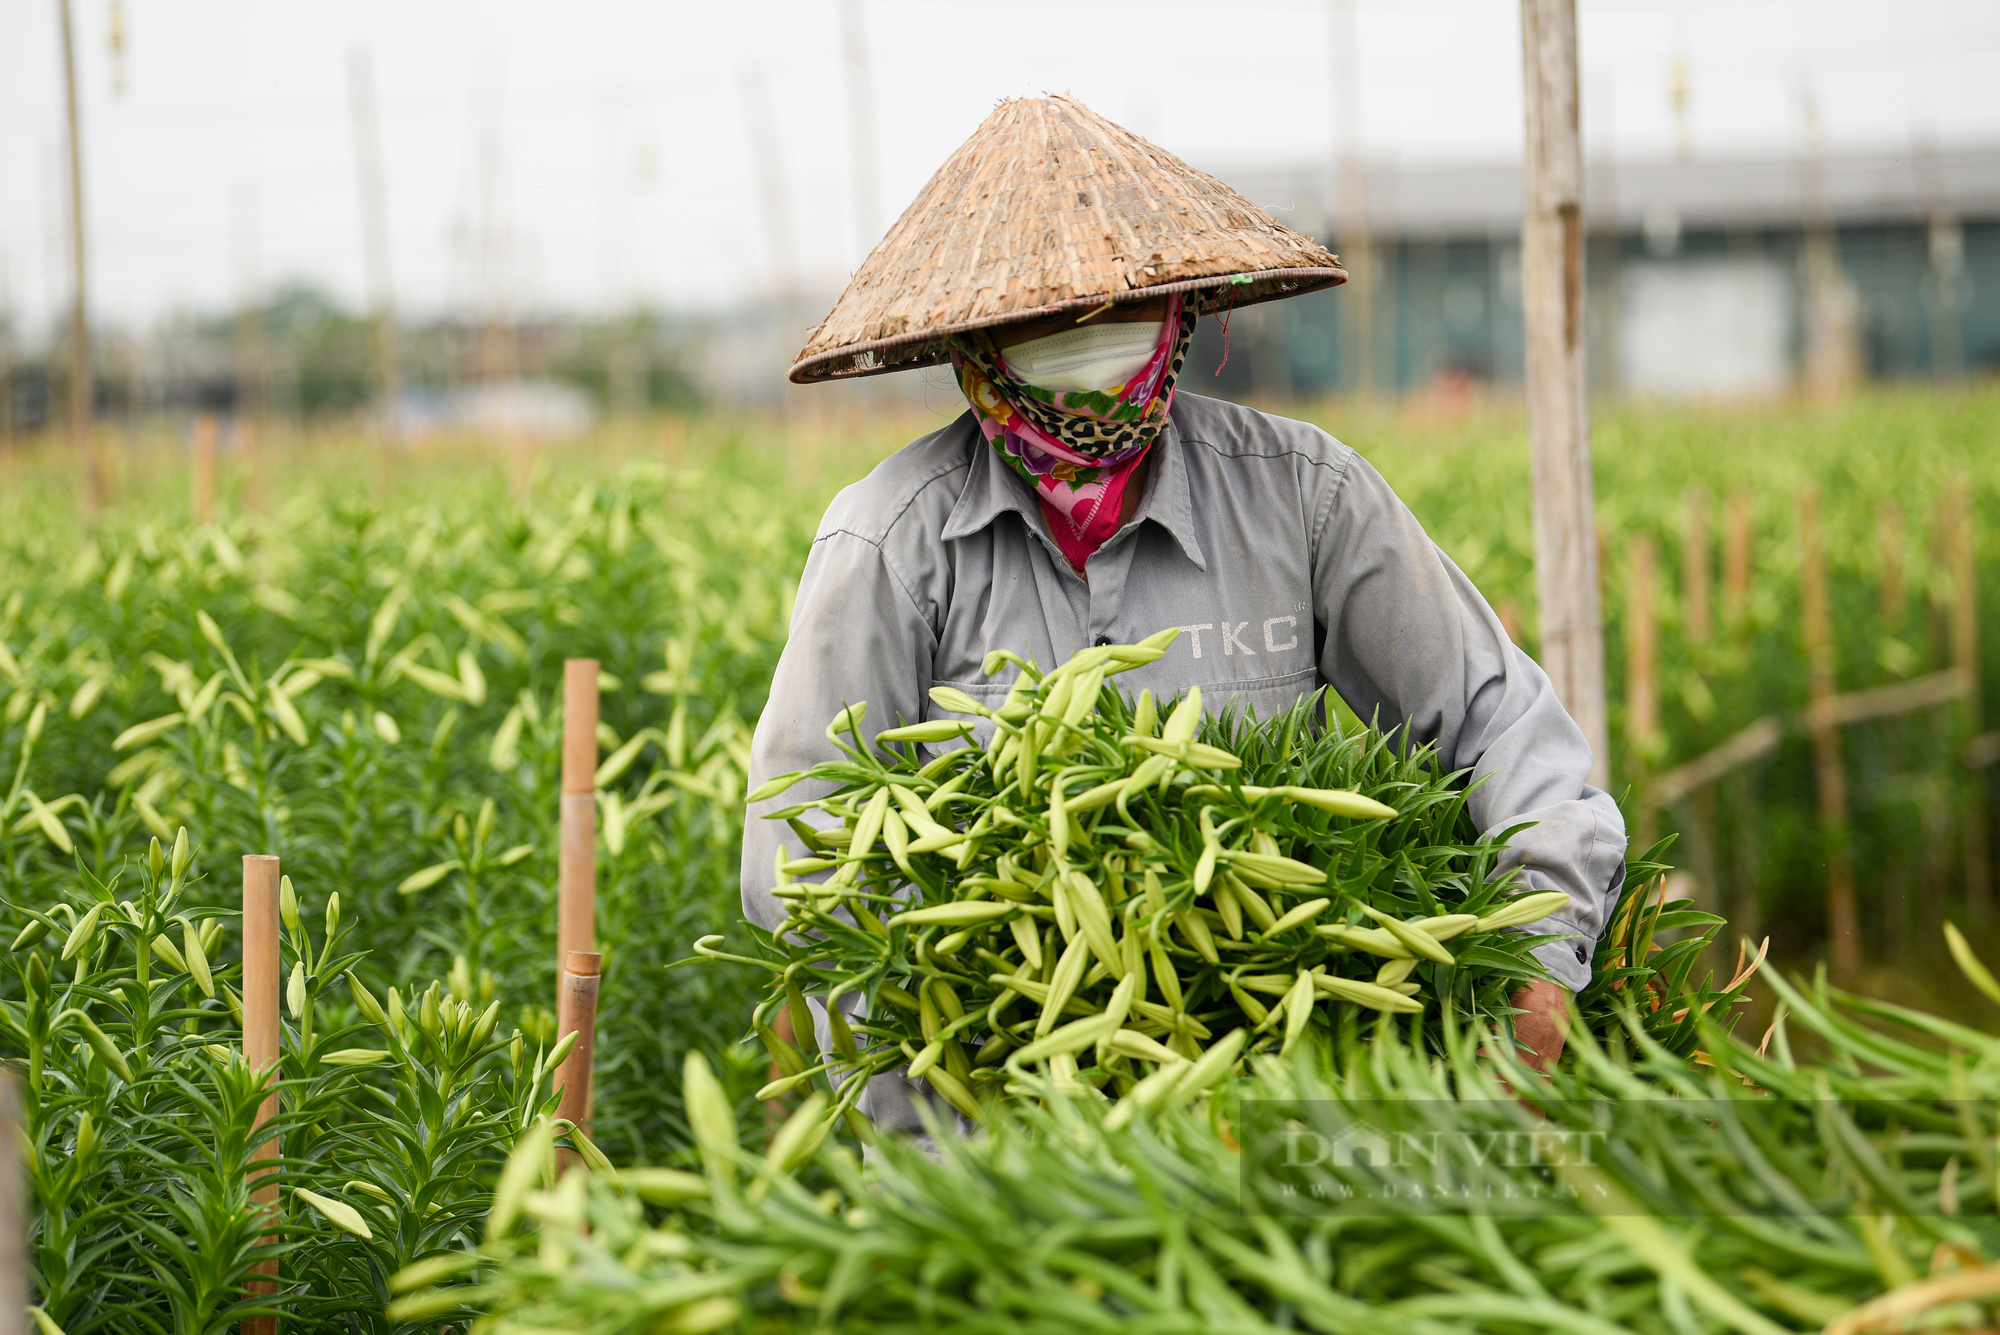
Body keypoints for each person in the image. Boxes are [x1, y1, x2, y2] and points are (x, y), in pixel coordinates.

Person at [742, 94, 1625, 1139]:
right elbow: (802, 858)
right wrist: (939, 1122)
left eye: (1118, 322)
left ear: (1181, 317)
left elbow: (1500, 725)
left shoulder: (1303, 496)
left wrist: (1537, 955)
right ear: (973, 351)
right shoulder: (889, 544)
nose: (1091, 366)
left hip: (1283, 1104)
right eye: (1044, 336)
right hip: (994, 1128)